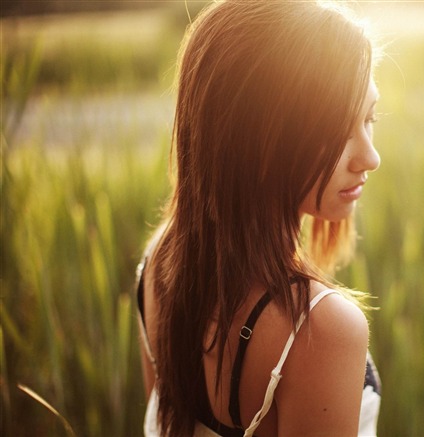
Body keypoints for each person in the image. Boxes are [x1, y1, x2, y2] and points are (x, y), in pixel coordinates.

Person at [135, 1, 382, 436]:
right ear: (259, 138)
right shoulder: (320, 331)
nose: (370, 157)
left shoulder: (159, 262)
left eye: (369, 118)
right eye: (338, 129)